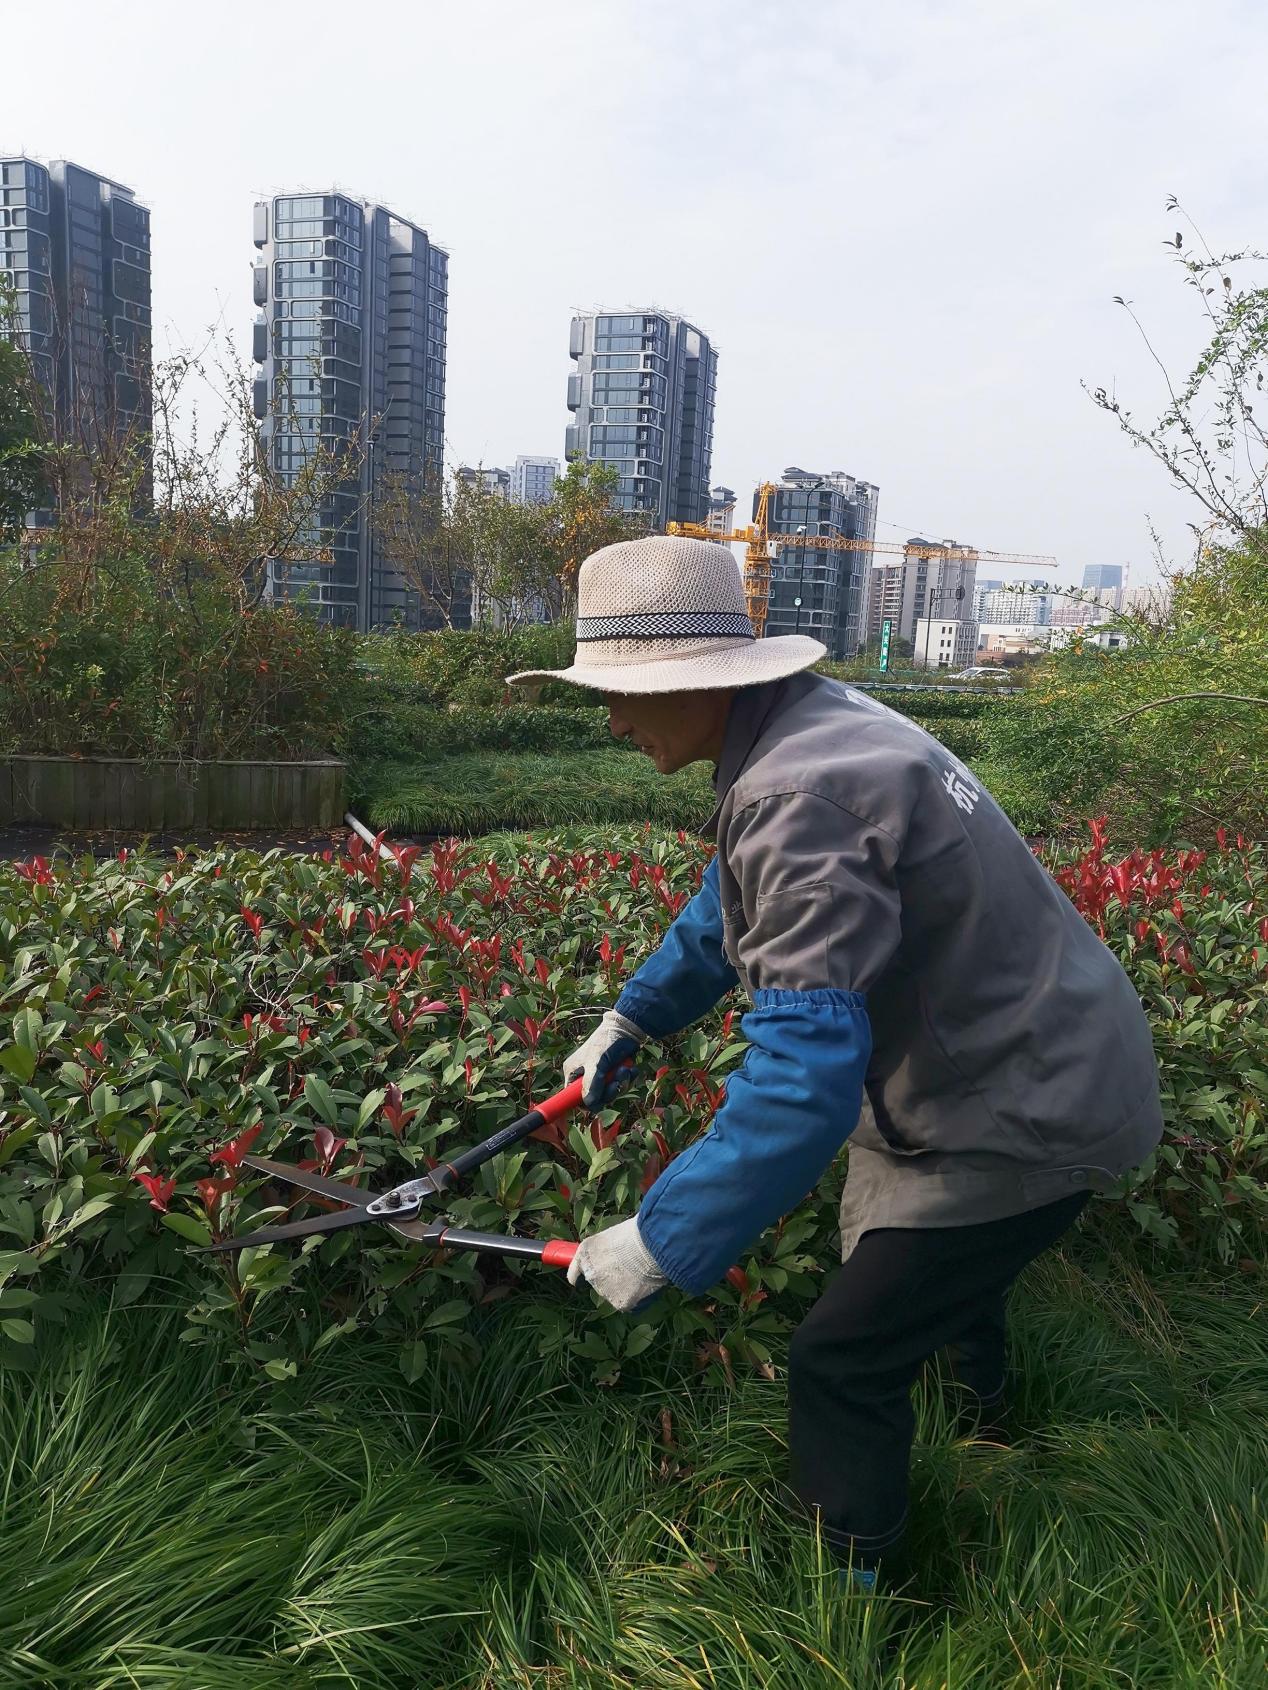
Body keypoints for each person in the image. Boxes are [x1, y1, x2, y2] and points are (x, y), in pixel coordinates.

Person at [507, 535, 1162, 1585]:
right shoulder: (812, 727)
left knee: (843, 1359)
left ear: (697, 680)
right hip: (1052, 1052)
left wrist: (663, 1238)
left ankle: (850, 1607)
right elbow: (734, 902)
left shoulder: (795, 791)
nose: (614, 721)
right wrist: (634, 1017)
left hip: (1016, 1103)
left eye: (621, 694)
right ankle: (990, 1443)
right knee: (940, 1283)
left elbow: (800, 1079)